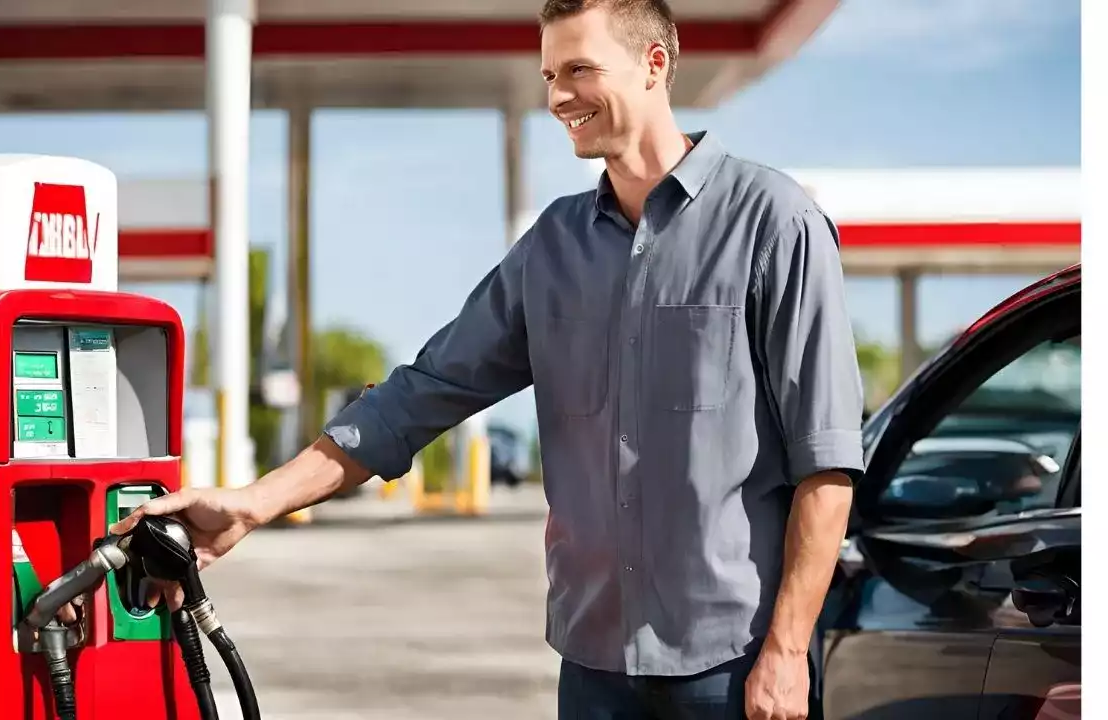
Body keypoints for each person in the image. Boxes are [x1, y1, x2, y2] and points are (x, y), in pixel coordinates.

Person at [111, 1, 865, 718]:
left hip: (731, 665)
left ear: (654, 64)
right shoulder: (554, 247)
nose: (558, 97)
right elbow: (420, 395)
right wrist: (255, 500)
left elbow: (825, 464)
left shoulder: (774, 222)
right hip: (595, 664)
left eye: (578, 71)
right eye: (548, 77)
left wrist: (788, 649)